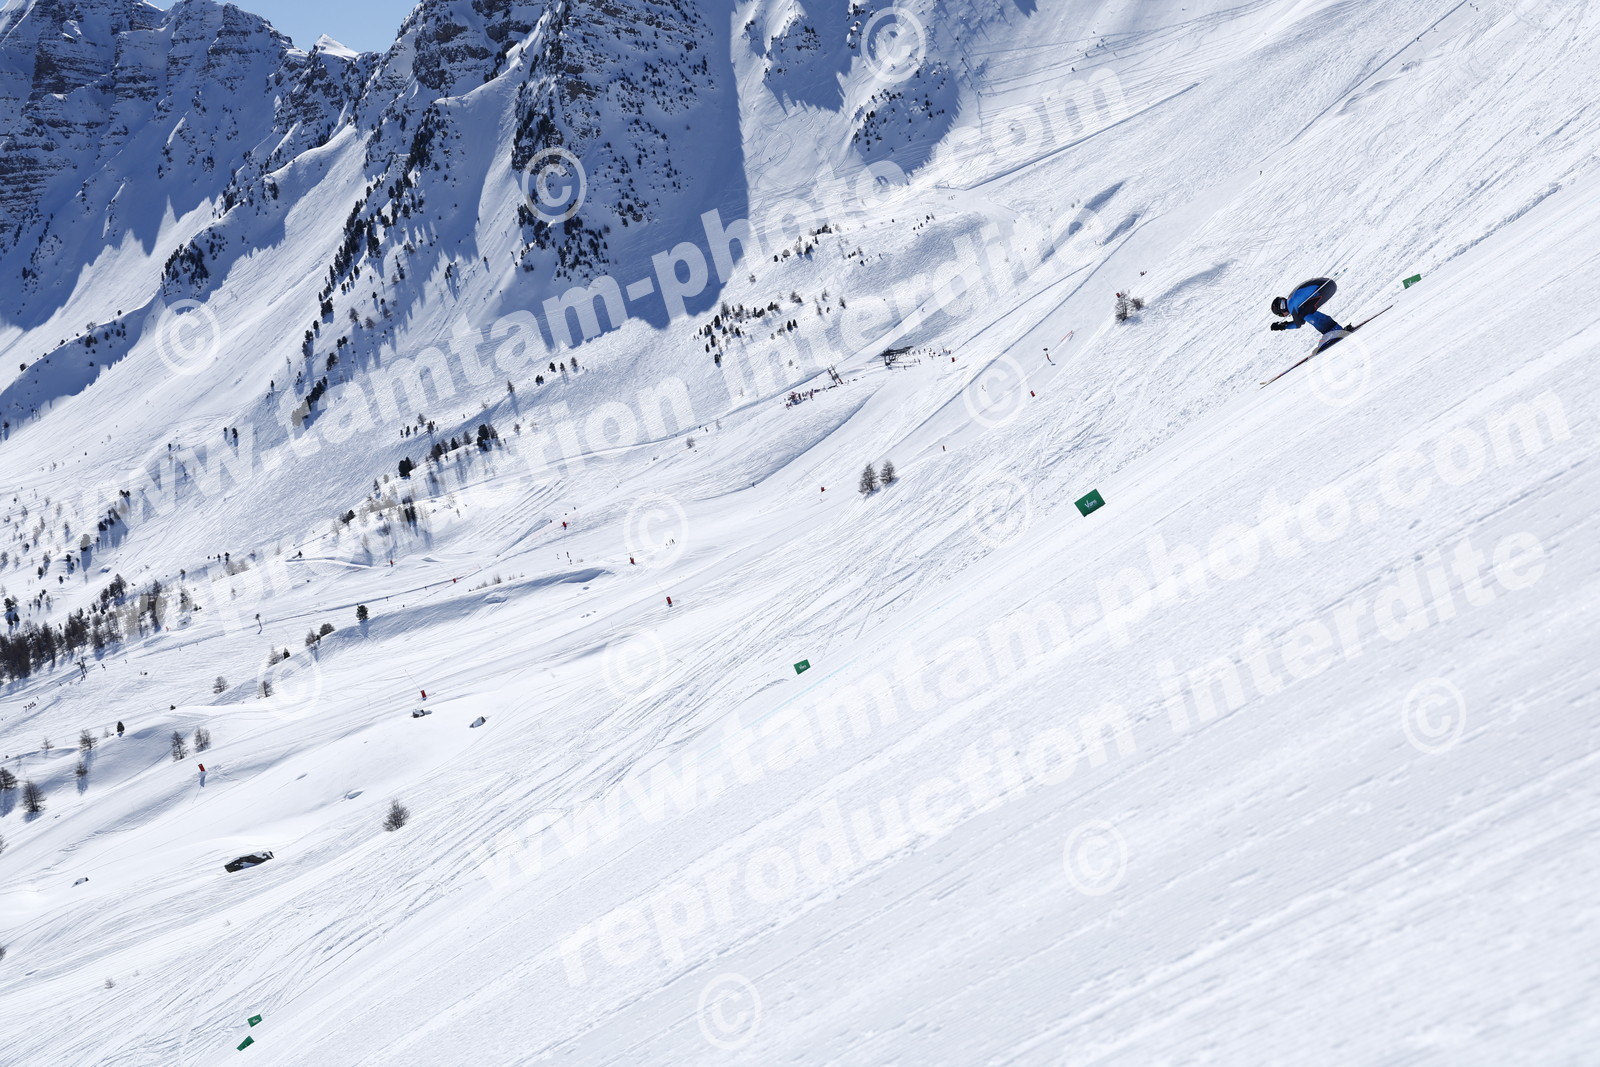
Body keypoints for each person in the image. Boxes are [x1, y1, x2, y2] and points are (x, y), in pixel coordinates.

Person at [1269, 277, 1351, 341]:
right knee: (1305, 311)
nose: (1284, 316)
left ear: (1281, 310)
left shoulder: (1291, 305)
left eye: (1281, 315)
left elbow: (1298, 324)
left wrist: (1283, 326)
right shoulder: (1292, 299)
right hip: (1328, 285)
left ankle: (1331, 331)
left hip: (1324, 288)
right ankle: (1334, 328)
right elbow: (1300, 320)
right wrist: (1283, 325)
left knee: (1303, 314)